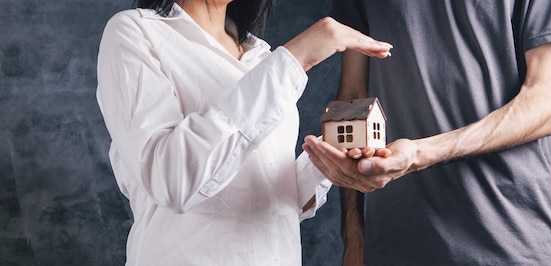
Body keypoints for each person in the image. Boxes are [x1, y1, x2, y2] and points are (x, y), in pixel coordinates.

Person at [95, 0, 392, 265]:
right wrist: (297, 58)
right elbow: (170, 180)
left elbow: (271, 199)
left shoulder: (260, 55)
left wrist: (327, 159)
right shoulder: (134, 33)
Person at [302, 0, 551, 265]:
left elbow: (547, 103)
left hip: (508, 242)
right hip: (392, 247)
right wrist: (354, 237)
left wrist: (421, 153)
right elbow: (354, 95)